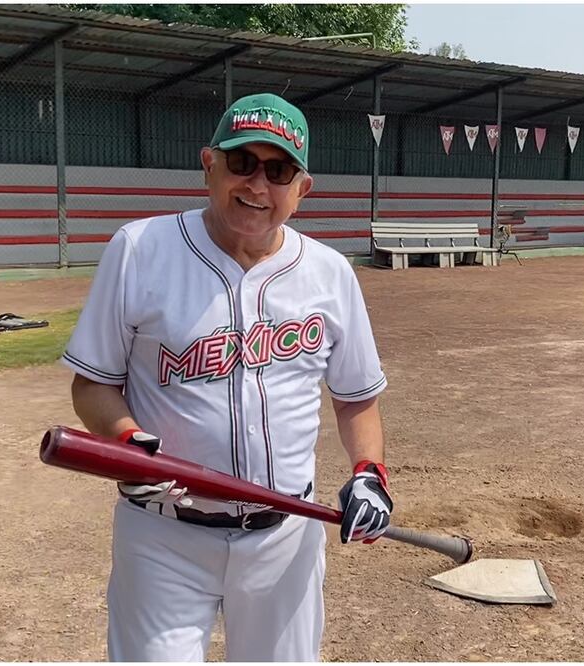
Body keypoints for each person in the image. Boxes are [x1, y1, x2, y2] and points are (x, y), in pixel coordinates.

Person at [61, 93, 392, 662]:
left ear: (301, 189)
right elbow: (92, 382)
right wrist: (126, 443)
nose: (257, 185)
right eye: (242, 163)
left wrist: (370, 472)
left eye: (278, 169)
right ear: (209, 164)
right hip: (163, 533)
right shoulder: (141, 249)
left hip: (285, 534)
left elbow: (356, 398)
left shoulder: (330, 273)